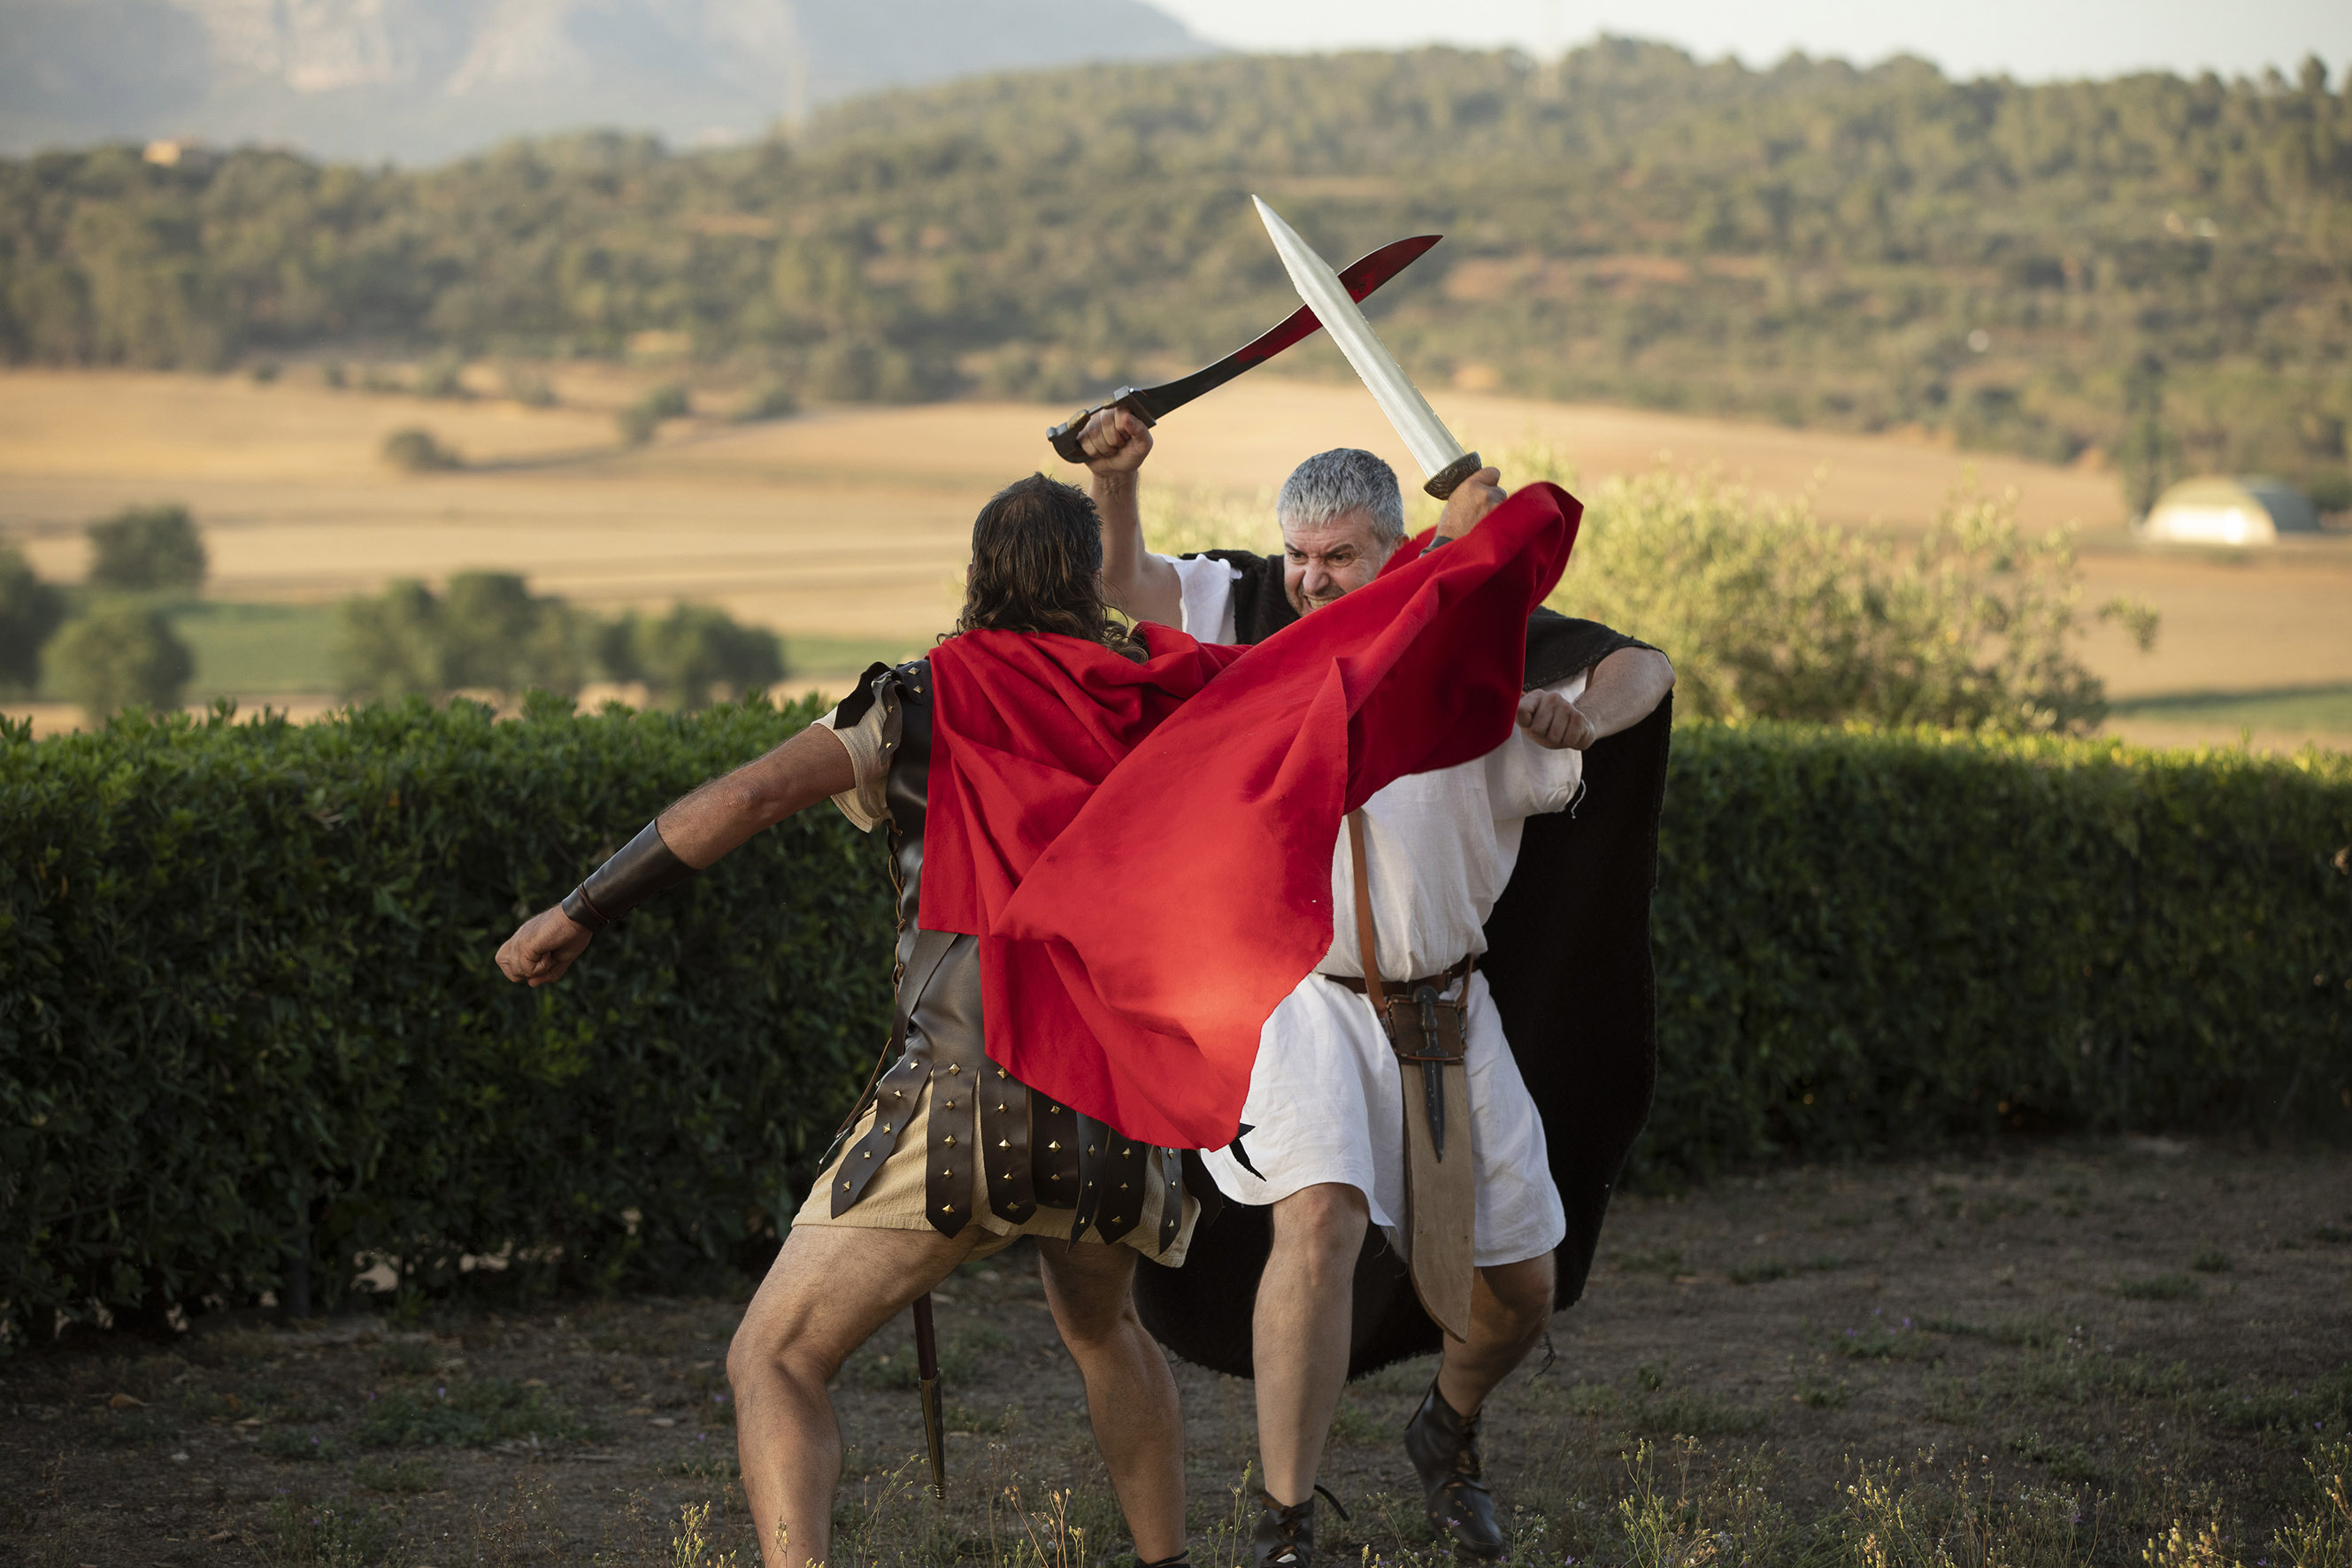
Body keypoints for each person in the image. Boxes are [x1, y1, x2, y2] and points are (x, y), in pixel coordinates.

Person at [494, 475, 1200, 1568]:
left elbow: (746, 797)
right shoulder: (1157, 699)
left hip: (964, 1103)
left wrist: (582, 906)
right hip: (1117, 1113)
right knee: (1106, 1328)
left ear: (980, 575)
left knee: (771, 1356)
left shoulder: (914, 699)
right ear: (1089, 578)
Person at [1073, 408, 1677, 1565]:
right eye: (1295, 554)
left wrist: (1575, 715)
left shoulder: (1478, 664)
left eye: (1336, 558)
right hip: (1303, 998)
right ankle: (1286, 1522)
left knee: (1521, 1289)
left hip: (1451, 1011)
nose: (1305, 581)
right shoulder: (1251, 613)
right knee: (1319, 1219)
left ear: (1395, 551)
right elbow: (1126, 586)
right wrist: (1115, 481)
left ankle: (1445, 1430)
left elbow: (1639, 670)